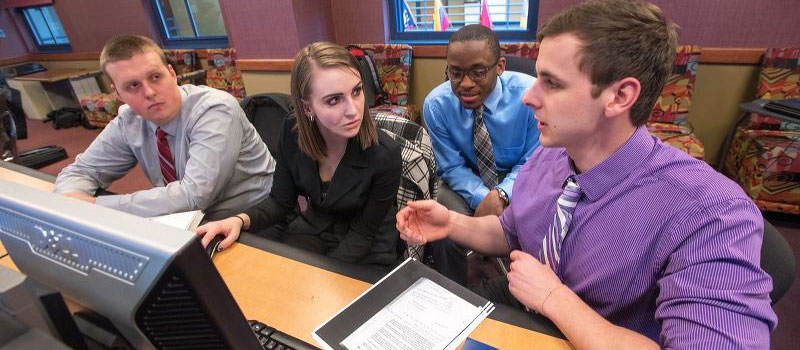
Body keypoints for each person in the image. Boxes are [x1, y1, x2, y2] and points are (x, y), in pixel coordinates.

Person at [397, 1, 777, 349]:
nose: (529, 97)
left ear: (619, 96)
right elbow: (512, 230)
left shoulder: (712, 212)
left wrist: (554, 299)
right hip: (526, 308)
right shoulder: (552, 155)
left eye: (552, 83)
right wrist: (452, 223)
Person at [196, 42, 402, 265]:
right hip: (314, 230)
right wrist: (239, 220)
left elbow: (363, 234)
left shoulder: (385, 154)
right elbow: (280, 202)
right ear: (307, 108)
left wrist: (319, 277)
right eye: (334, 100)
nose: (353, 110)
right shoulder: (292, 132)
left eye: (357, 91)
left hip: (367, 247)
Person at [53, 35, 275, 220]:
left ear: (172, 73)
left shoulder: (214, 109)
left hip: (252, 219)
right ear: (118, 94)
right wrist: (70, 200)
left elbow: (194, 196)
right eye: (133, 85)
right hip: (182, 219)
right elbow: (81, 171)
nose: (149, 92)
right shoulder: (129, 121)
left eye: (155, 77)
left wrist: (94, 206)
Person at [424, 24, 540, 218]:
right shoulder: (437, 106)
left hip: (519, 176)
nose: (466, 84)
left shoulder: (531, 97)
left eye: (478, 72)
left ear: (500, 66)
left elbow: (533, 161)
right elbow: (451, 167)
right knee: (445, 220)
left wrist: (502, 195)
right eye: (456, 73)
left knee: (531, 220)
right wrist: (484, 198)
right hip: (465, 178)